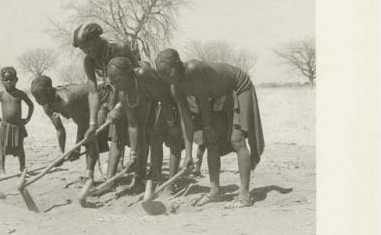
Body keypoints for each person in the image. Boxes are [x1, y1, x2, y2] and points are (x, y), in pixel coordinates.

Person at [155, 48, 265, 208]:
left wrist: (207, 128)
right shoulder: (175, 87)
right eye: (162, 74)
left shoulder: (193, 69)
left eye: (168, 72)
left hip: (238, 86)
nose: (167, 78)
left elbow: (203, 102)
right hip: (218, 96)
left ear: (178, 64)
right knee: (210, 141)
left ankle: (244, 195)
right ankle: (214, 191)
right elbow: (186, 120)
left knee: (237, 140)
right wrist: (188, 155)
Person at [72, 23, 140, 184]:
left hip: (132, 93)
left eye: (88, 46)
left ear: (97, 39)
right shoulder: (89, 61)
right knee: (91, 134)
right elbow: (93, 92)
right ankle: (89, 175)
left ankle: (119, 176)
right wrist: (92, 122)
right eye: (83, 49)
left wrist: (119, 107)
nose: (87, 52)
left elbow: (137, 78)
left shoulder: (120, 49)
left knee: (119, 134)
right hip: (111, 94)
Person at [106, 56, 183, 195]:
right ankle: (151, 180)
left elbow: (165, 98)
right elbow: (134, 126)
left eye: (117, 80)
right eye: (112, 82)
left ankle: (171, 183)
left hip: (172, 97)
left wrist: (171, 123)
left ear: (128, 73)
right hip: (157, 102)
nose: (115, 86)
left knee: (171, 137)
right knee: (147, 140)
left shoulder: (143, 74)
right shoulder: (124, 94)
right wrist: (133, 154)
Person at [30, 75, 109, 181]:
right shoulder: (46, 105)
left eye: (38, 96)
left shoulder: (67, 100)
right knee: (87, 137)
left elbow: (83, 125)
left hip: (103, 100)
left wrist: (76, 148)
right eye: (35, 97)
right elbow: (59, 129)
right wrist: (61, 154)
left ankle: (89, 176)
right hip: (86, 108)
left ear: (48, 91)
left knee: (89, 138)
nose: (36, 100)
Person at [0, 67, 34, 175]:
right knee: (2, 147)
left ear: (16, 80)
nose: (9, 82)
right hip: (5, 126)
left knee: (20, 147)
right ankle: (2, 168)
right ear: (2, 81)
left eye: (11, 79)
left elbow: (31, 105)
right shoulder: (1, 94)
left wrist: (27, 118)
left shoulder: (21, 94)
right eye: (6, 80)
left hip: (18, 126)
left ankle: (22, 168)